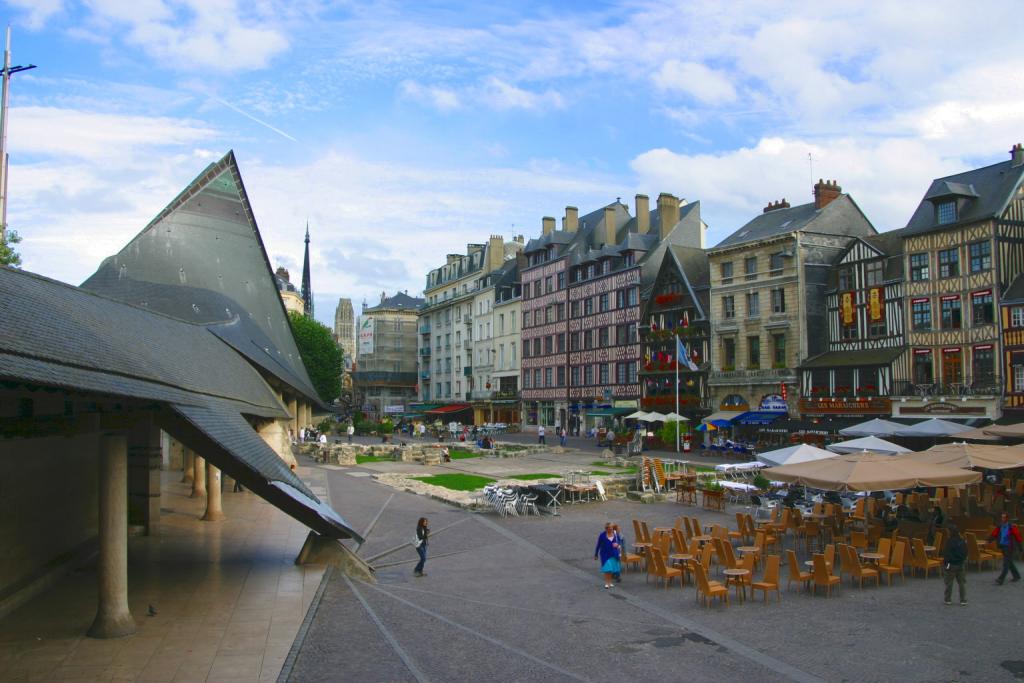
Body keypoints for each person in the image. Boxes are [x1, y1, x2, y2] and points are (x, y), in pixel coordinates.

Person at [990, 512, 1022, 585]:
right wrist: (988, 540)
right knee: (1009, 562)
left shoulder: (1012, 527)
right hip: (1003, 547)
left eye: (1004, 517)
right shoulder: (1000, 526)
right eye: (1002, 517)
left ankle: (1001, 579)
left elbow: (1018, 537)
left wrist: (1020, 547)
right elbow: (994, 534)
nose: (1003, 519)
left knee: (1006, 564)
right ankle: (1017, 576)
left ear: (1007, 518)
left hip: (1010, 547)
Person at [942, 524, 968, 605]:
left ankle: (948, 599)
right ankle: (963, 599)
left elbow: (946, 554)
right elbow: (966, 551)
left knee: (949, 582)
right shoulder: (962, 540)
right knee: (961, 583)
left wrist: (946, 563)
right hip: (960, 564)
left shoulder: (949, 541)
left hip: (951, 564)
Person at [593, 522, 621, 589]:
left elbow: (619, 541)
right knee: (607, 569)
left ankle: (610, 582)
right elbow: (598, 545)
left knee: (611, 569)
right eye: (609, 528)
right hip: (605, 554)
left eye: (612, 528)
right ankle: (607, 583)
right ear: (606, 529)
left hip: (613, 554)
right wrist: (596, 554)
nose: (611, 529)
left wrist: (617, 544)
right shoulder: (602, 535)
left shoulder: (615, 534)